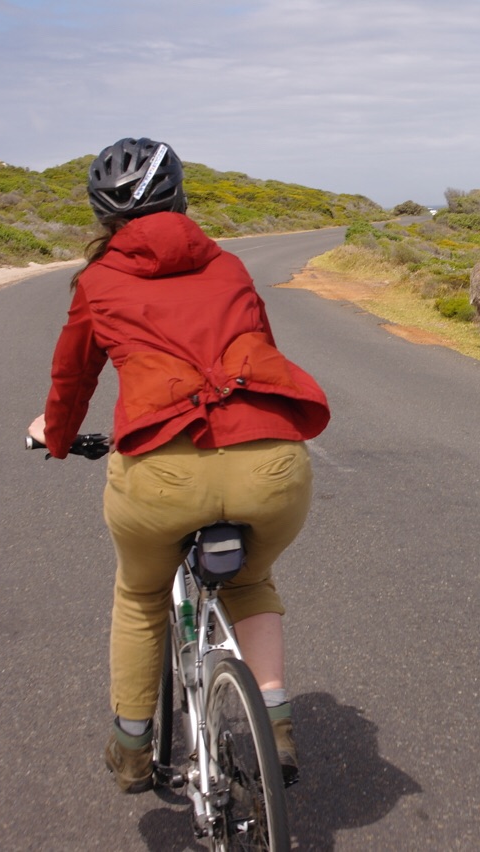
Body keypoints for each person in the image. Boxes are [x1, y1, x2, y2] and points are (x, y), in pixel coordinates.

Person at [28, 136, 330, 793]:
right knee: (250, 581)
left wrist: (54, 438)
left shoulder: (99, 280)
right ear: (181, 195)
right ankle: (274, 729)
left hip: (163, 474)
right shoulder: (227, 265)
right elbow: (262, 355)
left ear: (103, 216)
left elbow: (71, 380)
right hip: (271, 462)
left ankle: (133, 750)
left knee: (140, 598)